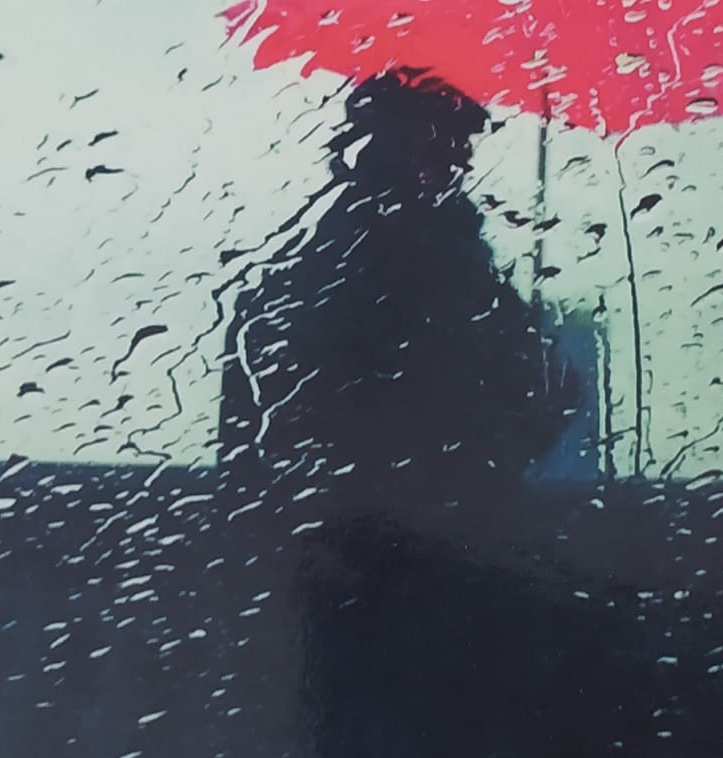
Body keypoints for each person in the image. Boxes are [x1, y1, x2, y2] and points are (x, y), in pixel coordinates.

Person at [216, 69, 578, 546]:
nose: (460, 166)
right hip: (400, 549)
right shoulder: (385, 270)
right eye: (446, 149)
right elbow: (461, 431)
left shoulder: (327, 264)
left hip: (377, 547)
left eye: (461, 153)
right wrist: (539, 395)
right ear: (401, 147)